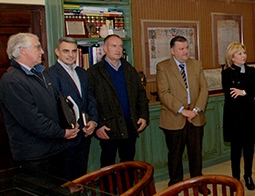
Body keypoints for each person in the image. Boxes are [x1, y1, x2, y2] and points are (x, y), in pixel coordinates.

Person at [0, 33, 80, 196]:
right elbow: (32, 120)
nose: (42, 51)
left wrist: (70, 124)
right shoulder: (12, 81)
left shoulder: (40, 74)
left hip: (53, 151)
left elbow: (58, 103)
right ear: (22, 51)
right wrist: (62, 132)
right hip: (33, 156)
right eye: (37, 47)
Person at [88, 35, 149, 167]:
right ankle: (108, 189)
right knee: (107, 164)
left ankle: (128, 188)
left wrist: (143, 116)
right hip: (108, 127)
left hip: (130, 126)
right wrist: (97, 125)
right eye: (114, 46)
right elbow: (89, 101)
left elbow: (141, 94)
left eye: (120, 46)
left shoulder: (129, 70)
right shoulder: (94, 72)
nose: (118, 49)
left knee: (128, 162)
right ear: (105, 48)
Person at [156, 36, 208, 186]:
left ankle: (198, 181)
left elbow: (204, 88)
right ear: (172, 51)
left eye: (187, 48)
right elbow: (163, 93)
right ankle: (176, 183)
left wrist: (196, 109)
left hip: (196, 116)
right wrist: (182, 110)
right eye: (181, 49)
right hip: (174, 117)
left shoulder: (196, 65)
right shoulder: (163, 67)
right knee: (175, 154)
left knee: (196, 153)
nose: (185, 51)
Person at [46, 36, 99, 180]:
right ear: (57, 52)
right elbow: (54, 107)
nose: (70, 55)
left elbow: (90, 98)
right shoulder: (50, 74)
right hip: (66, 137)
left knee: (81, 177)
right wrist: (66, 130)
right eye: (66, 51)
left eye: (74, 51)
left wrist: (93, 121)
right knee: (65, 179)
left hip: (84, 134)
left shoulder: (82, 72)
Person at [222, 42, 255, 191]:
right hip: (234, 118)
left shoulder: (251, 70)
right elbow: (232, 95)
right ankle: (235, 177)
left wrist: (244, 92)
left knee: (249, 148)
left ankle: (248, 175)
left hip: (250, 117)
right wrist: (250, 94)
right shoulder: (226, 72)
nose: (244, 56)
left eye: (244, 53)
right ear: (232, 57)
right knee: (235, 149)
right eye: (240, 53)